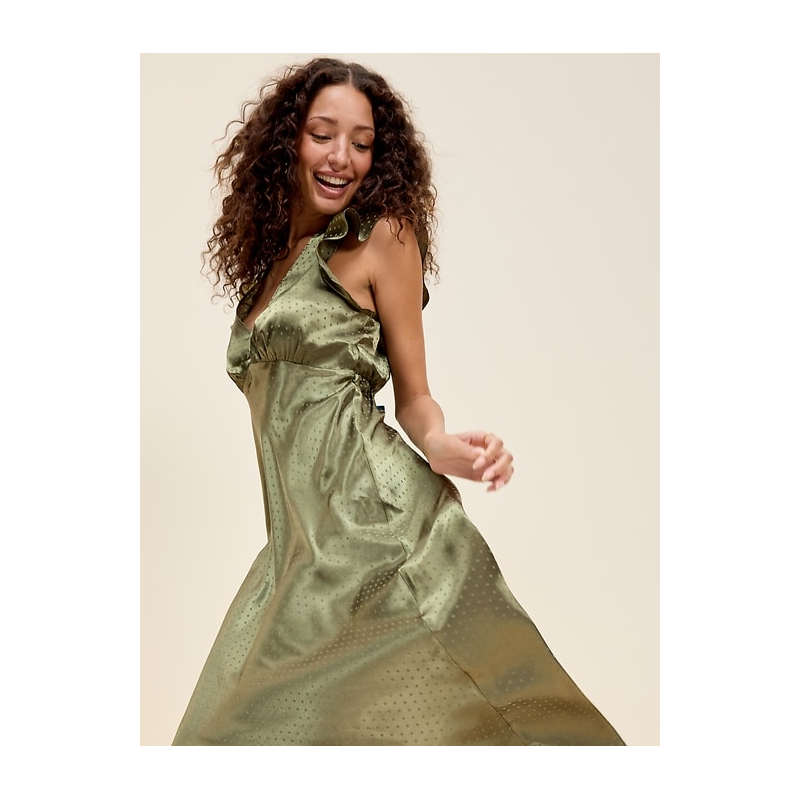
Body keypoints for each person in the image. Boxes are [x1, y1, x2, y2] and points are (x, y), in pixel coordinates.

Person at [171, 56, 625, 747]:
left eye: (362, 143)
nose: (341, 157)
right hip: (299, 544)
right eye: (323, 134)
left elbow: (415, 397)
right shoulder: (273, 262)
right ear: (288, 140)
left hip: (373, 523)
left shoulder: (383, 237)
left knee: (495, 707)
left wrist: (439, 445)